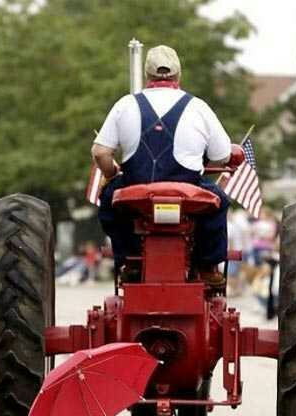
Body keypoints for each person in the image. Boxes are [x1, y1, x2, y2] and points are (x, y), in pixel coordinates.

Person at [91, 45, 233, 286]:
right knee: (219, 203)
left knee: (108, 202)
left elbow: (100, 152)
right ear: (179, 75)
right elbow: (222, 155)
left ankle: (131, 261)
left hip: (135, 190)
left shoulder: (125, 104)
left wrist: (112, 173)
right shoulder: (198, 107)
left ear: (148, 76)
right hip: (187, 191)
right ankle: (207, 266)